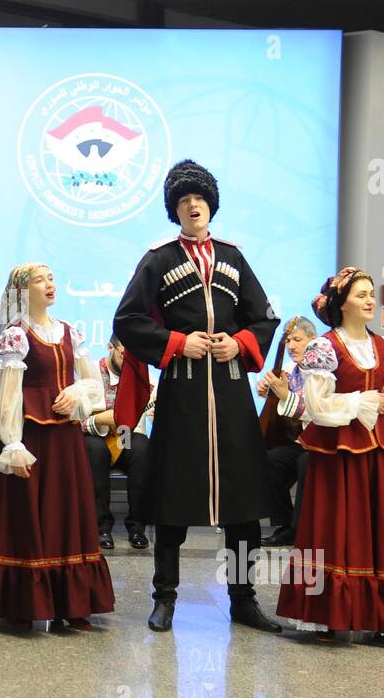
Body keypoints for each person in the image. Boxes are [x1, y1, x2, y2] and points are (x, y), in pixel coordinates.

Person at [114, 159, 282, 634]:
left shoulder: (233, 256)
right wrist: (175, 343)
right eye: (184, 200)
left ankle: (243, 600)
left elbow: (265, 317)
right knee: (173, 500)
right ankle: (164, 598)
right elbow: (126, 320)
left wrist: (241, 343)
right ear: (175, 210)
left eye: (199, 198)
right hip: (182, 392)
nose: (193, 205)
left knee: (243, 505)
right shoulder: (159, 258)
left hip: (230, 394)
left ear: (211, 204)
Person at [274, 269, 384, 641]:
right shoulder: (325, 347)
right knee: (336, 529)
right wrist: (359, 402)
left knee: (381, 527)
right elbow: (317, 406)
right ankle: (328, 614)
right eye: (361, 295)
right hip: (338, 451)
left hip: (380, 450)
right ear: (342, 303)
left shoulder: (383, 345)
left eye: (371, 294)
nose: (370, 300)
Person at [0, 263, 115, 628]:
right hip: (31, 435)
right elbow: (7, 396)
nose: (49, 284)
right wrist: (12, 443)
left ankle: (73, 603)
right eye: (40, 280)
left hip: (65, 438)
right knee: (30, 513)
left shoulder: (70, 332)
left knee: (67, 512)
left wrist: (76, 392)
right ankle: (25, 603)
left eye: (51, 278)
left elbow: (94, 384)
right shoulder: (15, 336)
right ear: (23, 290)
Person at [82, 334, 151, 549]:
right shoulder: (88, 372)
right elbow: (73, 418)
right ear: (110, 347)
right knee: (95, 450)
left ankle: (137, 526)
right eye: (124, 355)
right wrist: (99, 420)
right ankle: (100, 526)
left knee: (141, 447)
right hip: (94, 435)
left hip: (123, 437)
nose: (130, 362)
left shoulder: (140, 376)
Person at [256, 316, 317, 548]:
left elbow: (317, 410)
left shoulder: (324, 369)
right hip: (301, 440)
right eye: (289, 340)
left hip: (326, 441)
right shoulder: (290, 370)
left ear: (314, 339)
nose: (291, 346)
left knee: (306, 463)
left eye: (298, 339)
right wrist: (265, 389)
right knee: (270, 460)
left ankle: (300, 528)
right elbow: (275, 395)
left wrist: (284, 395)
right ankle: (284, 525)